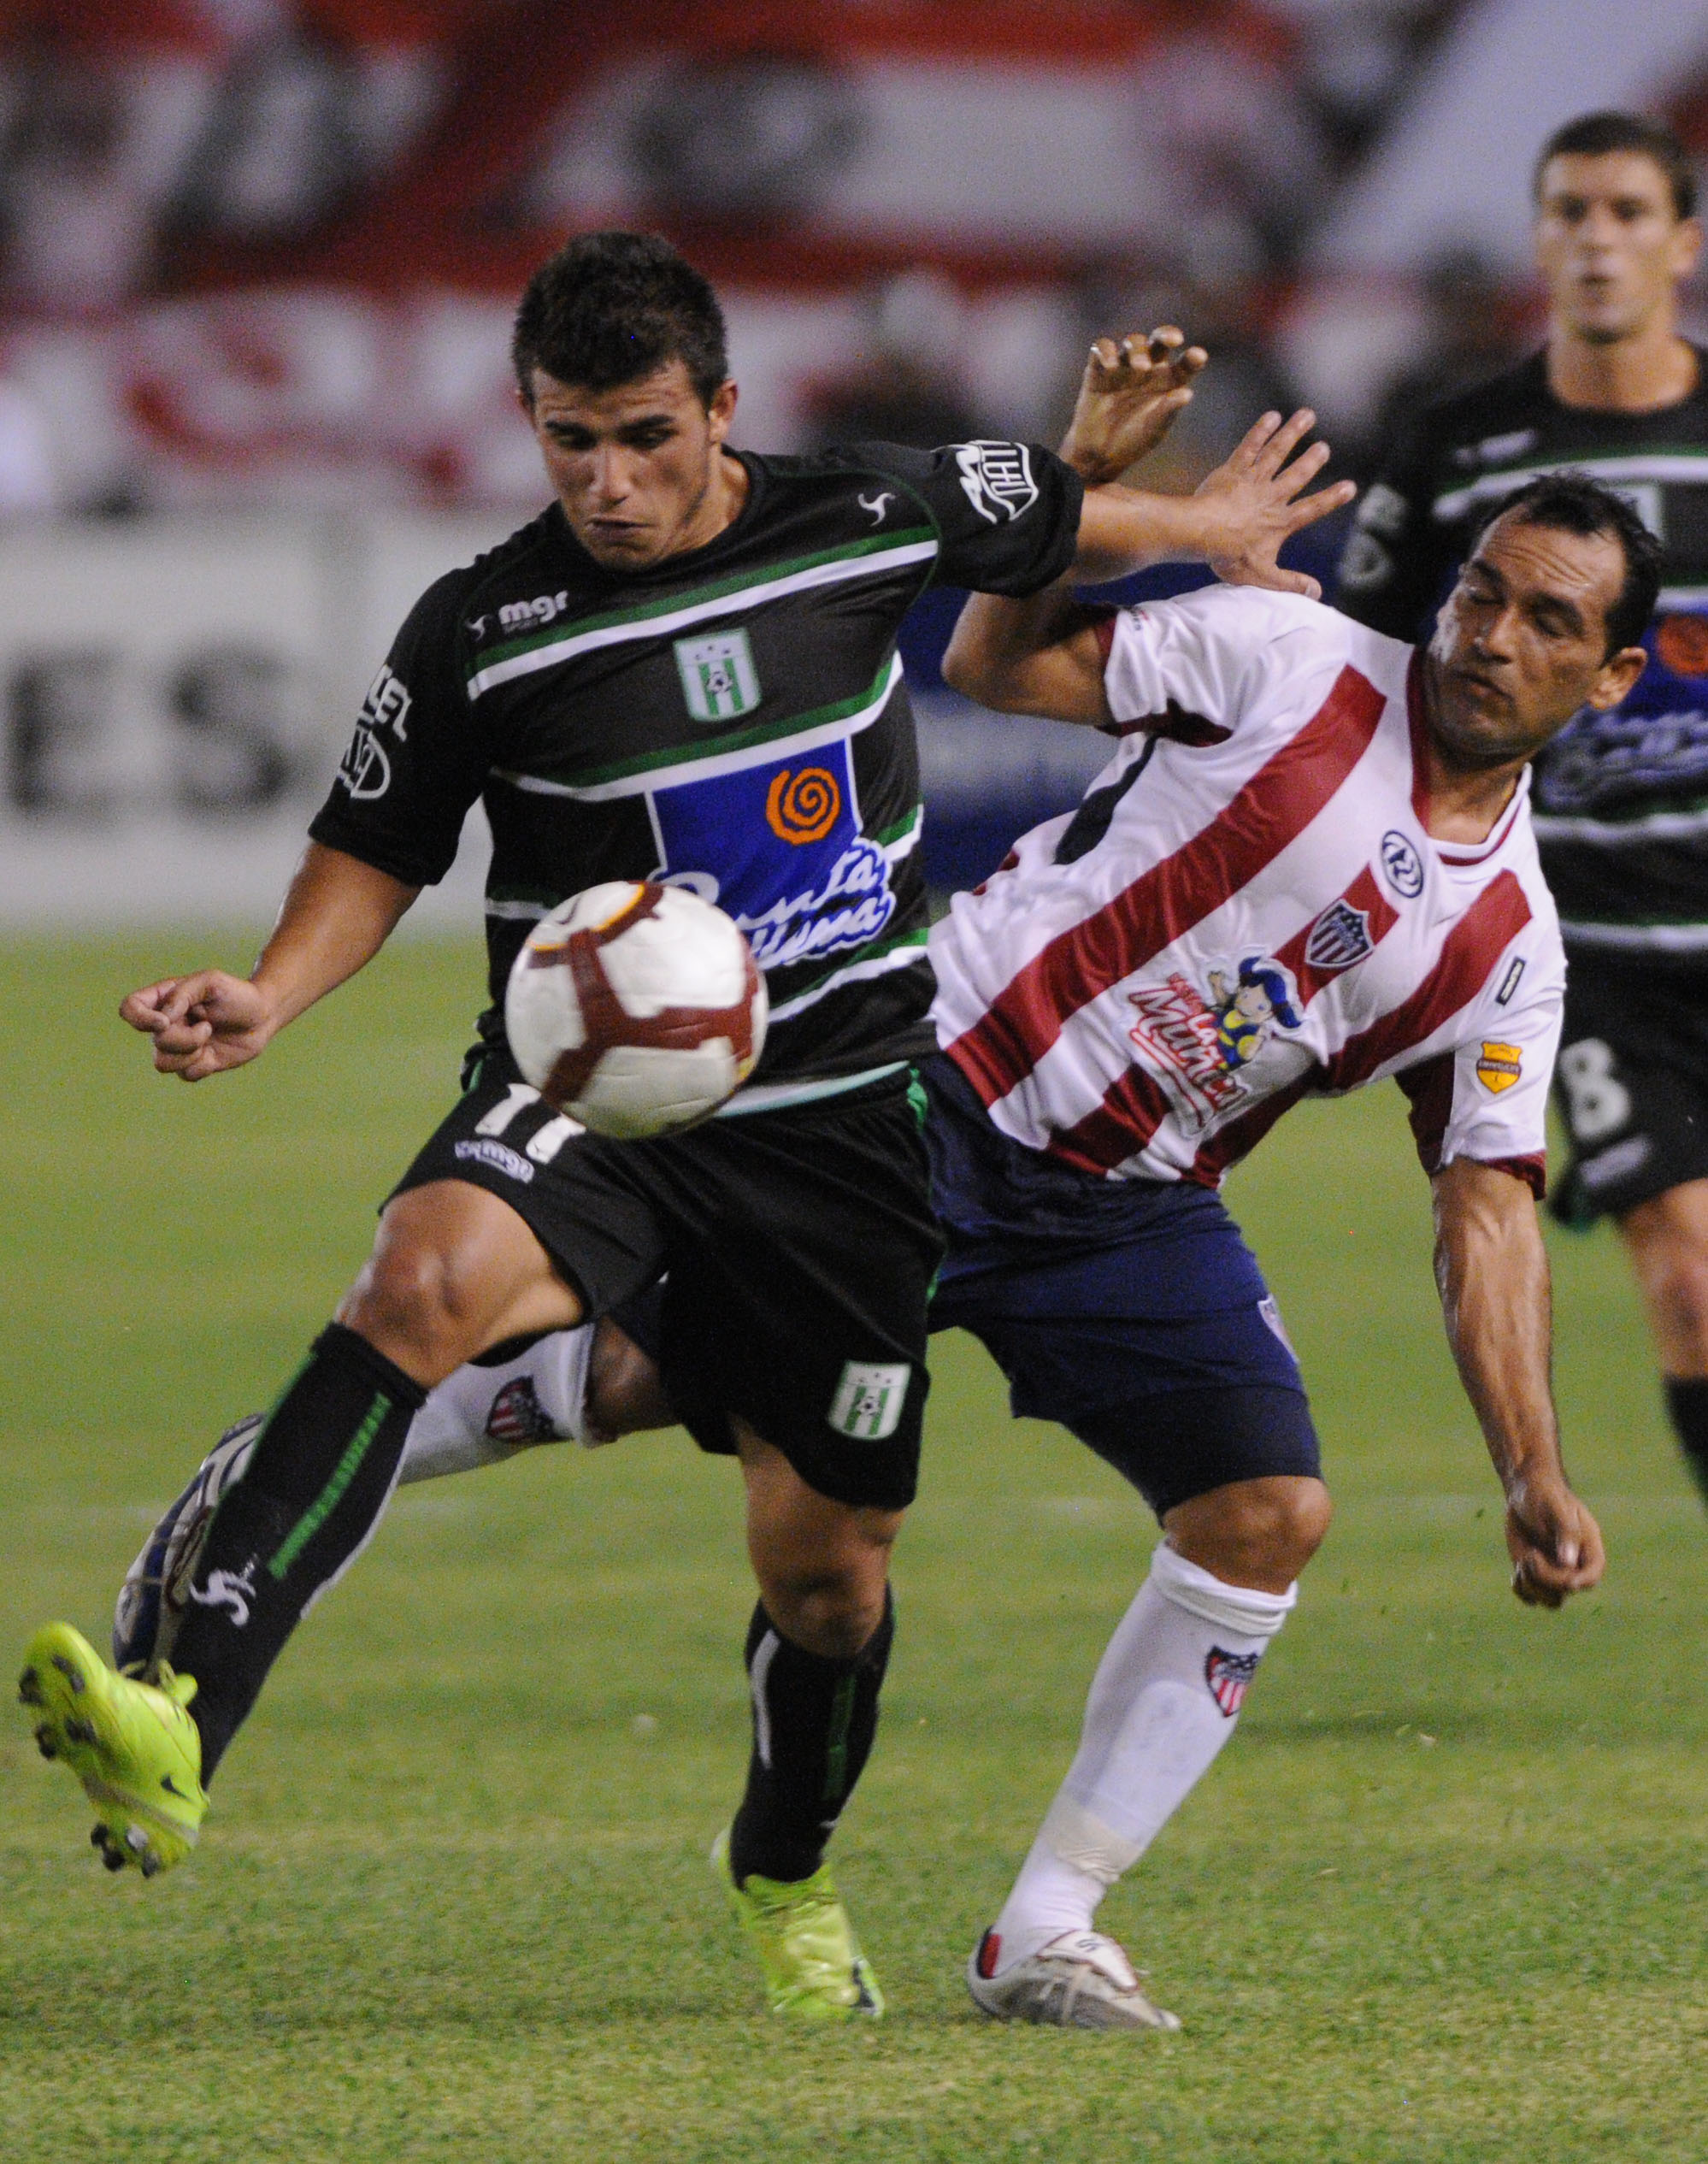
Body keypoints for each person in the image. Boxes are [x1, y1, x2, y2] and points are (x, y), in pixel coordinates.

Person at [118, 465, 1656, 2034]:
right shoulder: (1295, 659)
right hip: (921, 1084)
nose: (1487, 637)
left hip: (1124, 1205)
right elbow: (999, 665)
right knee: (663, 1384)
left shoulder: (1512, 946)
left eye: (1546, 622)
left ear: (1605, 678)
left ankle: (1044, 1928)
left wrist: (1530, 1464)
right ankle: (283, 1481)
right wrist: (1079, 487)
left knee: (1265, 1511)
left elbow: (1486, 1202)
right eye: (1480, 590)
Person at [18, 232, 1351, 2022]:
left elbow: (1034, 507)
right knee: (418, 1281)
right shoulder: (483, 627)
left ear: (725, 408)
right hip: (593, 1098)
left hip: (841, 1135)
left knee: (829, 1580)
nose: (609, 482)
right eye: (569, 440)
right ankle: (179, 1708)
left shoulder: (855, 510)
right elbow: (376, 844)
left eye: (644, 435)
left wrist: (1180, 522)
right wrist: (273, 987)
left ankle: (783, 1873)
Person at [1335, 110, 1708, 1503]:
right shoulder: (1455, 447)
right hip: (1596, 953)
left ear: (1681, 241)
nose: (1594, 240)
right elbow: (1357, 669)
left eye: (1624, 212)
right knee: (1688, 1283)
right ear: (1539, 237)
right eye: (1568, 212)